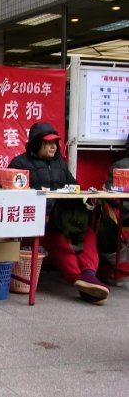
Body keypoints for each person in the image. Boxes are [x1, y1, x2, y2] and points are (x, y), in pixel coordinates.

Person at [8, 122, 109, 305]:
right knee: (58, 238)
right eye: (48, 143)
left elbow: (75, 187)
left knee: (87, 234)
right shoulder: (20, 163)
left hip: (63, 218)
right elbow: (10, 191)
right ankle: (80, 280)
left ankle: (88, 275)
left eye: (55, 142)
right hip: (38, 220)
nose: (54, 147)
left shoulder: (60, 165)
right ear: (36, 143)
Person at [104, 133, 129, 225]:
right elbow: (110, 193)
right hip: (126, 214)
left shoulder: (120, 164)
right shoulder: (120, 166)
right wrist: (126, 206)